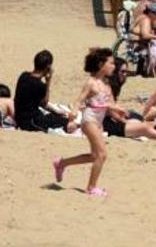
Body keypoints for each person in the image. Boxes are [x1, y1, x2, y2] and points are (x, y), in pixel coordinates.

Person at [52, 48, 126, 197]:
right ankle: (91, 188)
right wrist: (73, 111)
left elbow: (109, 105)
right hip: (89, 120)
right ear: (100, 64)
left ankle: (62, 163)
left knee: (94, 156)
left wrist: (120, 114)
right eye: (111, 63)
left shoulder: (107, 84)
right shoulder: (91, 83)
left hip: (98, 122)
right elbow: (79, 100)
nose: (114, 66)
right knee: (102, 154)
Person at [103, 57, 156, 143]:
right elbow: (110, 110)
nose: (125, 75)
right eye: (122, 72)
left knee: (142, 121)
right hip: (106, 124)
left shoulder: (114, 86)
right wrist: (124, 120)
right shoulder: (107, 86)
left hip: (110, 120)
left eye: (126, 72)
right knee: (144, 127)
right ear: (115, 72)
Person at [15, 50, 76, 133]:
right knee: (68, 123)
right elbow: (44, 103)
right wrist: (48, 81)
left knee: (54, 117)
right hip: (31, 121)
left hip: (19, 117)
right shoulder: (39, 85)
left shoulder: (23, 76)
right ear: (48, 67)